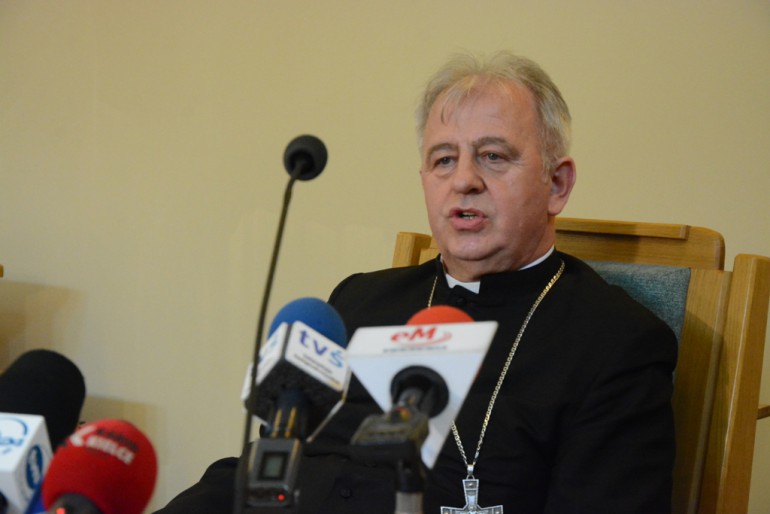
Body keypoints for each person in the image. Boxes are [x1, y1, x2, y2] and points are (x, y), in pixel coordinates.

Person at [155, 51, 676, 514]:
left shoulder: (616, 343)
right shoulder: (359, 299)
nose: (464, 180)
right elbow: (265, 466)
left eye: (494, 156)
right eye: (443, 159)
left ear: (556, 184)